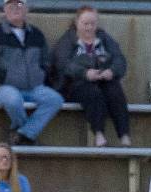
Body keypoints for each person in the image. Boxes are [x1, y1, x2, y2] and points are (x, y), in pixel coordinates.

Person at [0, 0, 63, 146]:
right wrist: (7, 77)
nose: (15, 8)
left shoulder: (37, 34)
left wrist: (40, 75)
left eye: (19, 4)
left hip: (35, 88)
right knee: (13, 100)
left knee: (55, 99)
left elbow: (46, 61)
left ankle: (21, 134)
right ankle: (28, 135)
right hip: (6, 88)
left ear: (26, 9)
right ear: (4, 9)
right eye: (11, 5)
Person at [51, 5, 131, 147]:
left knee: (115, 90)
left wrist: (111, 71)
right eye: (85, 24)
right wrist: (85, 73)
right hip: (75, 84)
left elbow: (120, 59)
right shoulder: (68, 40)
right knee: (92, 93)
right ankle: (99, 133)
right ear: (77, 23)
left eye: (92, 24)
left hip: (103, 80)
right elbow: (63, 64)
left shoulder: (104, 38)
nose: (89, 28)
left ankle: (124, 135)